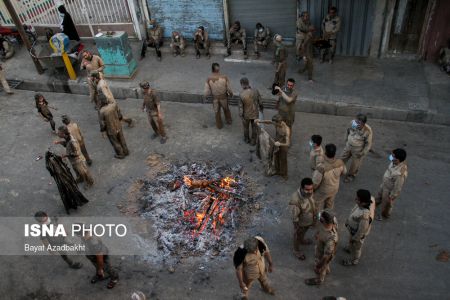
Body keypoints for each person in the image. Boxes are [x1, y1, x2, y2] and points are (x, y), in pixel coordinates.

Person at [305, 210, 338, 286]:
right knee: (324, 264)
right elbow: (321, 229)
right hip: (321, 246)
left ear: (324, 221)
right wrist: (317, 234)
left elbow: (326, 257)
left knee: (323, 266)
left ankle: (320, 279)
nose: (320, 218)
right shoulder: (330, 221)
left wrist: (318, 265)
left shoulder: (331, 239)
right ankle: (327, 269)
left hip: (326, 254)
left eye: (321, 218)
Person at [343, 189, 375, 266]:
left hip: (357, 234)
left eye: (357, 199)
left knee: (357, 247)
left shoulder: (364, 216)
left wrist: (356, 238)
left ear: (363, 202)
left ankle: (354, 260)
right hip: (353, 230)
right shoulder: (360, 205)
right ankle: (350, 248)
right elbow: (353, 212)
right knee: (351, 239)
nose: (355, 199)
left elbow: (361, 231)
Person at [375, 148, 408, 220]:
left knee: (386, 204)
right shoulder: (394, 162)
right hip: (384, 185)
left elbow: (397, 187)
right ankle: (374, 205)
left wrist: (391, 197)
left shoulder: (400, 174)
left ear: (398, 160)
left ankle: (384, 215)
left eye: (393, 156)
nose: (391, 157)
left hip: (389, 190)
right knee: (378, 196)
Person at [256, 114, 291, 180]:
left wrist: (280, 144)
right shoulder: (276, 122)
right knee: (276, 157)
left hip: (283, 145)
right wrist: (260, 121)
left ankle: (284, 174)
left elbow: (288, 143)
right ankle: (277, 171)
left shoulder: (286, 129)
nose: (274, 124)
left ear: (279, 122)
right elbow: (269, 122)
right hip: (276, 142)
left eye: (275, 123)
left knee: (283, 160)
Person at [289, 178, 316, 260]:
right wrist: (297, 227)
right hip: (301, 223)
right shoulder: (295, 200)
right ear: (301, 187)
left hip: (308, 221)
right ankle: (296, 250)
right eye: (307, 189)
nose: (310, 191)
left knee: (303, 232)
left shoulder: (308, 194)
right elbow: (294, 217)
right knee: (297, 235)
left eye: (311, 189)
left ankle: (302, 240)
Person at [313, 144, 346, 210]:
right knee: (329, 205)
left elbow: (315, 183)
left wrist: (312, 190)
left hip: (323, 191)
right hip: (334, 189)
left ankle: (316, 217)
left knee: (315, 203)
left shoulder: (321, 168)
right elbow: (344, 172)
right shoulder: (340, 162)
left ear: (325, 152)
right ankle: (327, 217)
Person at [341, 113, 372, 182]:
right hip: (348, 145)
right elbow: (347, 131)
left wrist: (363, 153)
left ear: (363, 124)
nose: (356, 124)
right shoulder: (352, 123)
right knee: (342, 159)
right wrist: (346, 140)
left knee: (355, 164)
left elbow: (368, 144)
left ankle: (351, 175)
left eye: (359, 123)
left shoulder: (368, 130)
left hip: (358, 149)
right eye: (356, 121)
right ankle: (340, 170)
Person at [204, 63, 233, 129]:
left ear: (212, 69)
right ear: (219, 69)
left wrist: (205, 97)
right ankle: (229, 121)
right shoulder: (224, 77)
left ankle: (219, 125)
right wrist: (231, 94)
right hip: (224, 97)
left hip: (215, 99)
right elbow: (229, 88)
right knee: (226, 109)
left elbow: (206, 91)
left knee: (217, 112)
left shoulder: (208, 79)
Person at [239, 77, 263, 145]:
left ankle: (246, 139)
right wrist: (261, 109)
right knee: (254, 128)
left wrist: (241, 115)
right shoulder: (256, 90)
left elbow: (241, 107)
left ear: (242, 84)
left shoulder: (241, 94)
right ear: (248, 82)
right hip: (255, 113)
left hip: (246, 115)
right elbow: (260, 102)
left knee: (246, 128)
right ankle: (253, 141)